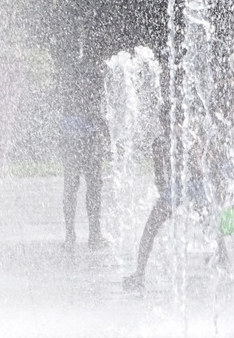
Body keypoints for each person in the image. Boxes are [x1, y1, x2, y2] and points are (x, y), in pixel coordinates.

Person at [123, 103, 208, 290]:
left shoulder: (160, 141)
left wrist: (165, 198)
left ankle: (139, 274)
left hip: (175, 188)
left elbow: (159, 178)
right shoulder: (193, 138)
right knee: (210, 227)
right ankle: (224, 264)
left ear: (162, 121)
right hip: (196, 186)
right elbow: (200, 169)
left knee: (150, 229)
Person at [59, 105, 109, 250]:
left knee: (71, 185)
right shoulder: (94, 83)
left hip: (70, 130)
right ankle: (93, 235)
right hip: (88, 131)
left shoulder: (68, 85)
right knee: (92, 186)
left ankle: (71, 236)